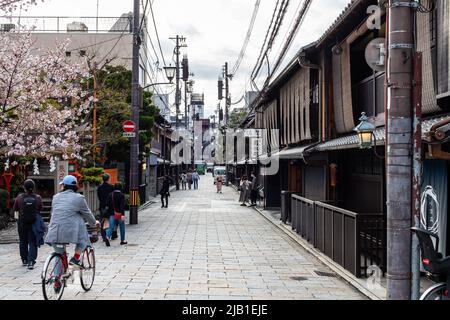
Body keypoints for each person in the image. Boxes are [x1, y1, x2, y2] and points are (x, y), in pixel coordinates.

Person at [45, 175, 99, 269]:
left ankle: (57, 281)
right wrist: (94, 223)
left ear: (64, 186)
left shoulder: (56, 197)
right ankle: (75, 259)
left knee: (59, 255)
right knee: (84, 241)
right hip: (69, 232)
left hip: (53, 232)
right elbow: (87, 213)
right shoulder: (79, 198)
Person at [13, 179, 43, 270]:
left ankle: (24, 260)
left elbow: (15, 209)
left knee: (23, 241)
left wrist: (18, 219)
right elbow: (40, 208)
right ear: (33, 187)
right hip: (33, 222)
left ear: (24, 187)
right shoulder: (38, 197)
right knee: (32, 242)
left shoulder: (19, 197)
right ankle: (31, 261)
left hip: (22, 222)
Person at [97, 174, 114, 246]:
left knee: (103, 220)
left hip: (102, 206)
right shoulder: (111, 187)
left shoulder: (99, 187)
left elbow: (99, 197)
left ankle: (104, 236)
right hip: (110, 206)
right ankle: (109, 235)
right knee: (110, 221)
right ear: (108, 179)